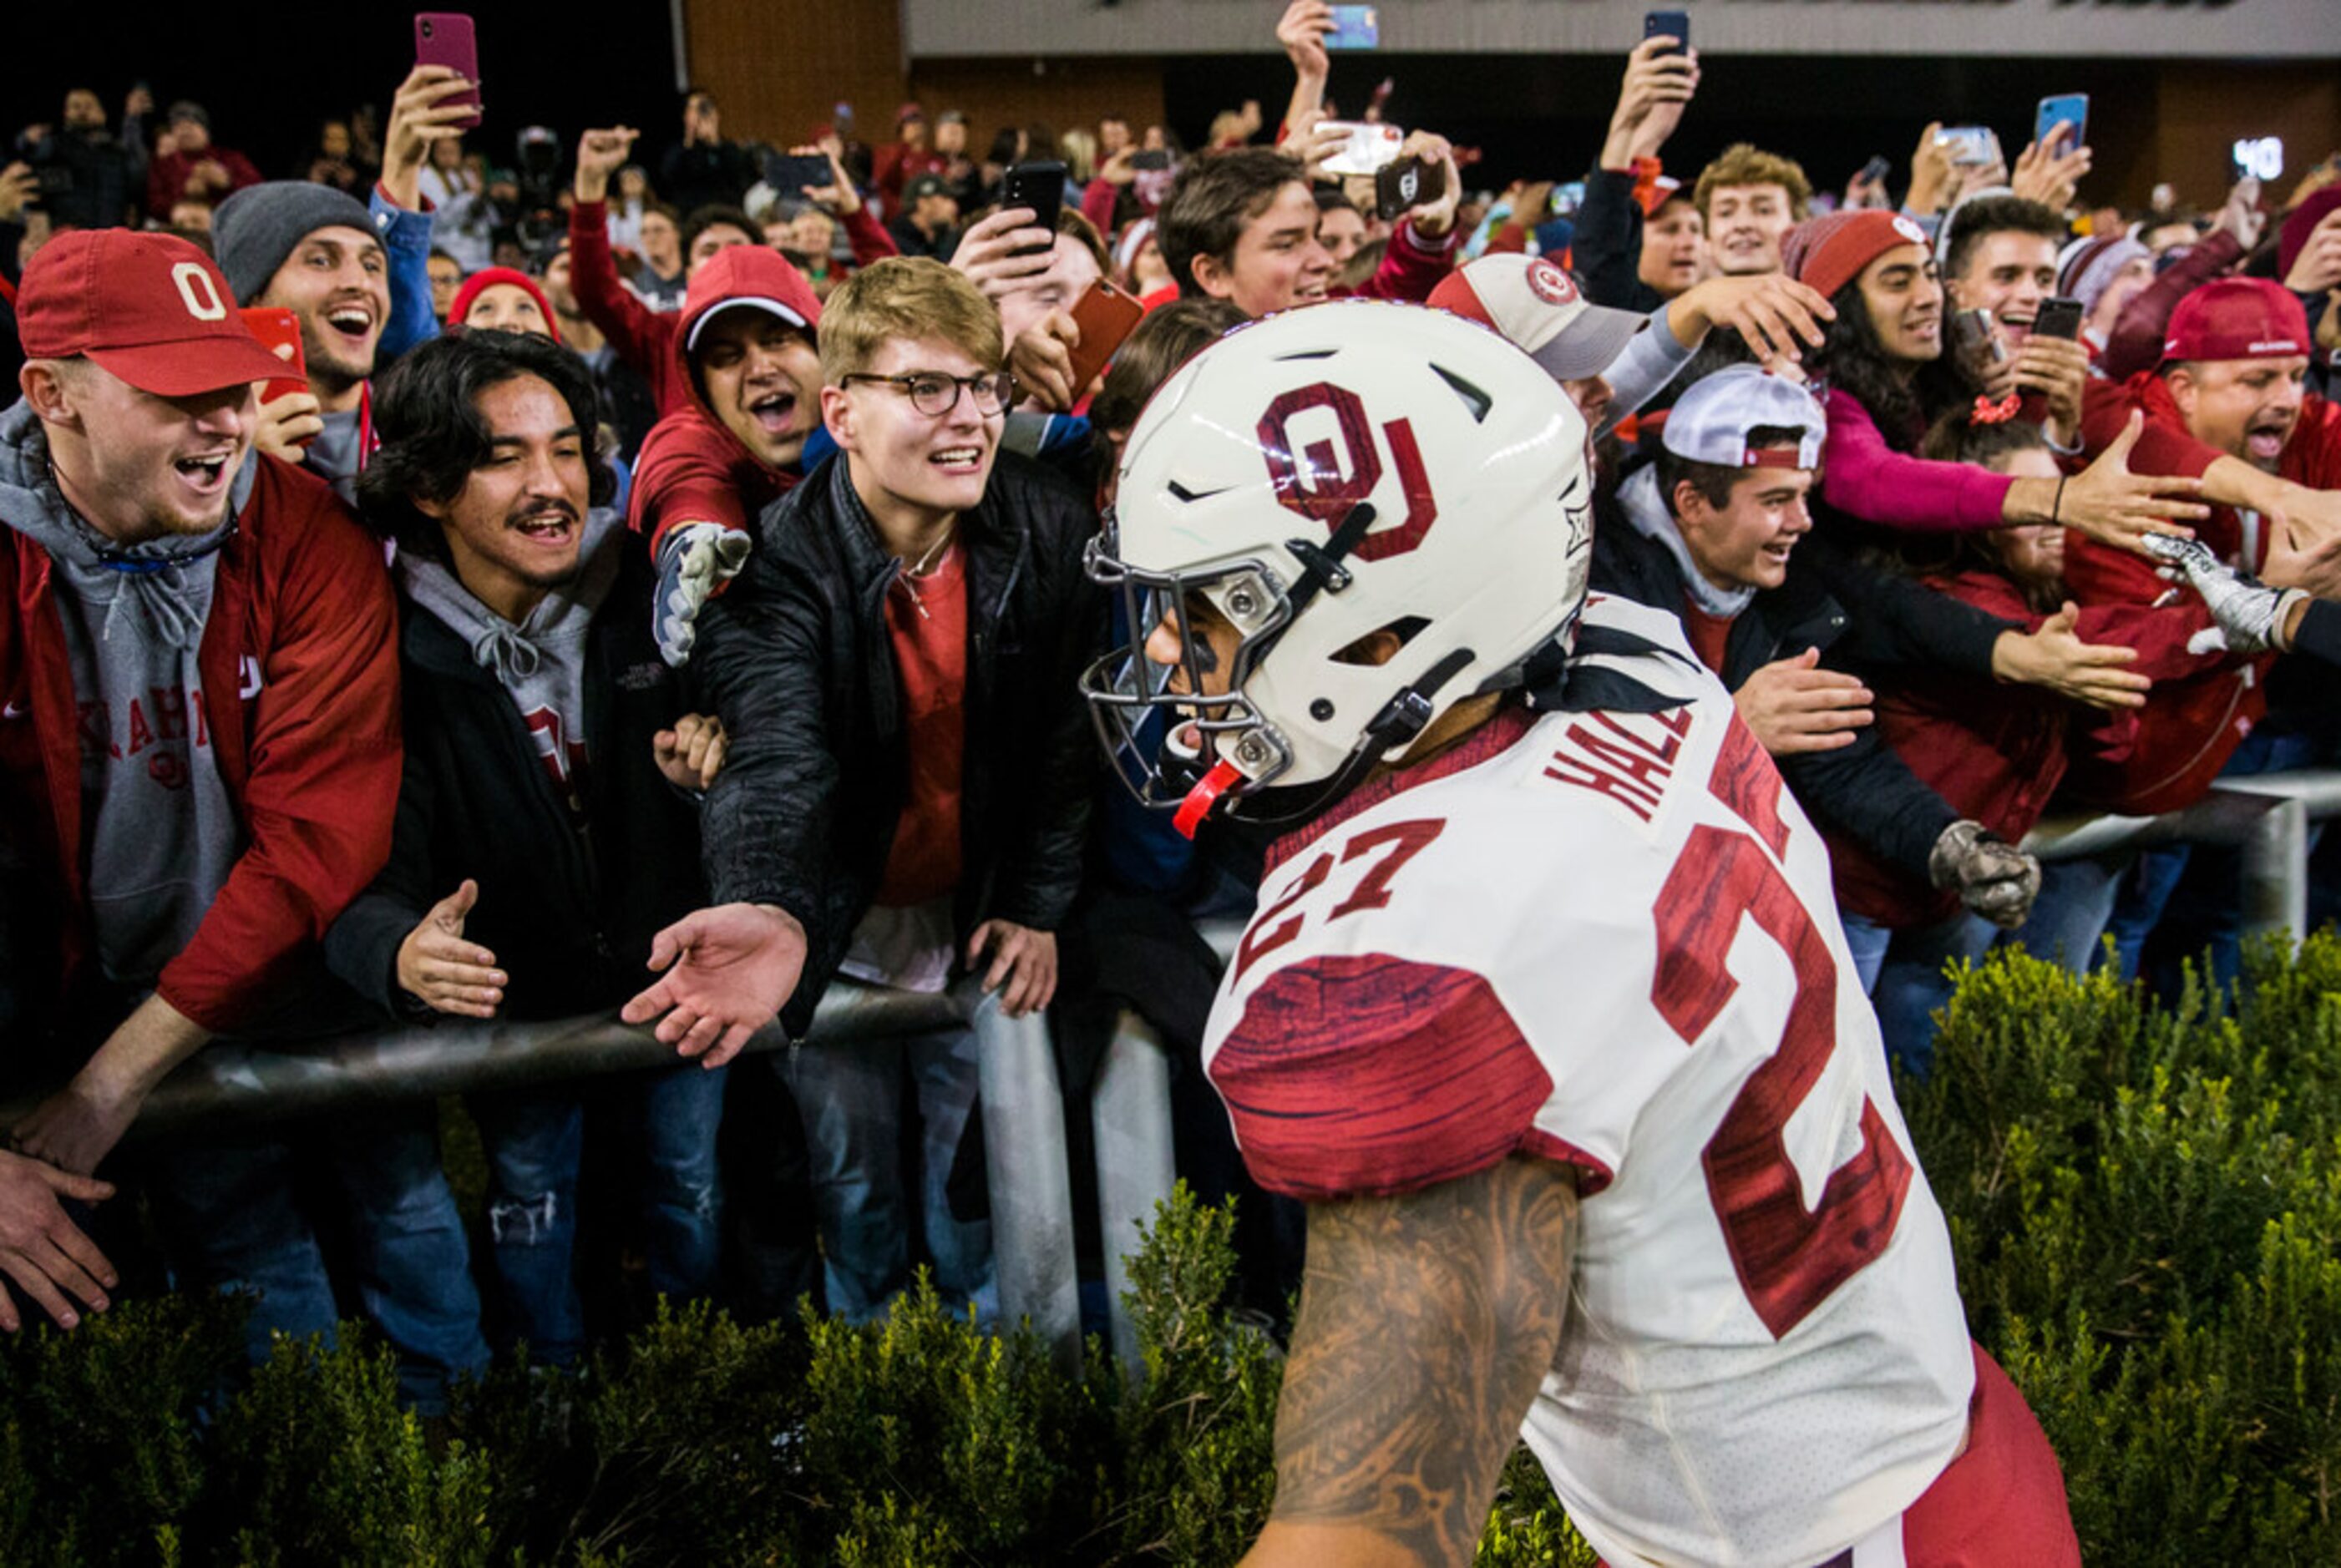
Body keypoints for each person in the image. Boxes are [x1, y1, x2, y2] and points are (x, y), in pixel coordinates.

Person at [1077, 300, 2081, 1567]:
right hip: (1932, 1431)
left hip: (1814, 1538)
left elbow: (1369, 1535)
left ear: (1382, 625)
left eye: (1211, 602)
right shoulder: (1635, 650)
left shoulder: (1428, 954)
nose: (1170, 649)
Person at [0, 231, 474, 1397]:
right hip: (41, 1001)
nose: (224, 419)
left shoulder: (305, 530)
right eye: (175, 391)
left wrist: (114, 1082)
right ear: (50, 394)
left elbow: (321, 833)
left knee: (355, 1255)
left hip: (271, 981)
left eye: (230, 380)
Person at [621, 258, 1100, 1322]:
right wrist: (769, 902)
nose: (968, 417)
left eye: (983, 385)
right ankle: (877, 1395)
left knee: (974, 1176)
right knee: (853, 1184)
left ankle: (995, 1403)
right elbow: (777, 752)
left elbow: (1065, 740)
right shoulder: (776, 566)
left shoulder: (1047, 526)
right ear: (840, 408)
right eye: (926, 388)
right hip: (835, 932)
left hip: (977, 921)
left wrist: (1035, 901)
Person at [329, 331, 730, 1363]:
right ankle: (551, 1424)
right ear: (424, 486)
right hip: (519, 1021)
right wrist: (397, 951)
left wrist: (719, 780)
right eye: (503, 456)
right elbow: (356, 856)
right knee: (532, 1213)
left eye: (565, 446)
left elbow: (775, 758)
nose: (551, 485)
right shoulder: (389, 647)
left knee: (687, 1197)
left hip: (680, 991)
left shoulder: (656, 596)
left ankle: (707, 1396)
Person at [1788, 209, 2206, 555]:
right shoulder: (1820, 398)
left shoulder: (1957, 388)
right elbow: (1874, 480)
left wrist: (2059, 428)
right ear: (1842, 306)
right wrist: (2058, 499)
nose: (1928, 297)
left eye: (1929, 275)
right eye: (1898, 283)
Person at [627, 244, 827, 664]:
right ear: (703, 392)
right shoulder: (692, 436)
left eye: (777, 340)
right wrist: (690, 534)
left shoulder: (880, 420)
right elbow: (683, 474)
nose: (759, 369)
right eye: (727, 358)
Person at [1155, 146, 1457, 320]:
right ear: (1212, 274)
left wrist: (1428, 234)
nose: (1323, 260)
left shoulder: (1330, 325)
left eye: (1317, 236)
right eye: (1287, 244)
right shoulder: (1169, 393)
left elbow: (1389, 299)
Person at [1695, 143, 1814, 279]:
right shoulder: (1683, 301)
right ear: (1706, 239)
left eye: (1764, 210)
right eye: (1726, 213)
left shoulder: (1825, 300)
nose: (1742, 224)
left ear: (1799, 229)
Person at [144, 101, 260, 221]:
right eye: (178, 127)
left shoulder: (231, 159)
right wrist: (185, 193)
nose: (185, 131)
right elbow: (155, 206)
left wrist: (227, 184)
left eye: (192, 125)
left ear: (206, 132)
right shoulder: (162, 165)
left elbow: (258, 193)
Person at [658, 91, 753, 218]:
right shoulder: (678, 150)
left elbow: (740, 177)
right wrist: (690, 140)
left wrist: (715, 142)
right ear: (685, 116)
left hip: (727, 214)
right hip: (692, 217)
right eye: (694, 109)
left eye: (705, 108)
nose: (701, 114)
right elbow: (669, 177)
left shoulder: (730, 148)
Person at [886, 173, 960, 262]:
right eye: (945, 199)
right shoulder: (895, 244)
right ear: (923, 204)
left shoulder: (934, 240)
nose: (954, 206)